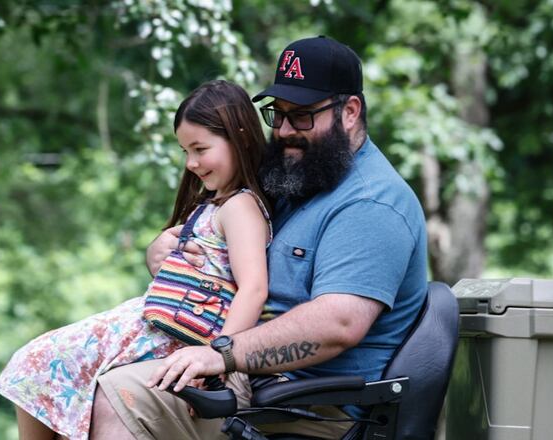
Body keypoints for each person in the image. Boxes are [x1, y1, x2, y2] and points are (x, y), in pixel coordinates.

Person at [90, 36, 429, 439]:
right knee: (81, 382)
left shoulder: (371, 204)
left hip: (316, 409)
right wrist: (165, 252)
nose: (285, 131)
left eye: (302, 116)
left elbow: (338, 322)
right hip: (258, 386)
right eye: (277, 114)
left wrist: (224, 354)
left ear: (350, 111)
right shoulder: (298, 179)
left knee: (116, 397)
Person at [0, 80, 274, 440]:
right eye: (185, 151)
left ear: (241, 137)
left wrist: (218, 360)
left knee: (39, 362)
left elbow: (253, 288)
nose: (191, 163)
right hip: (156, 322)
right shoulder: (216, 203)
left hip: (180, 333)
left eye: (200, 148)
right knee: (55, 387)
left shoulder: (240, 206)